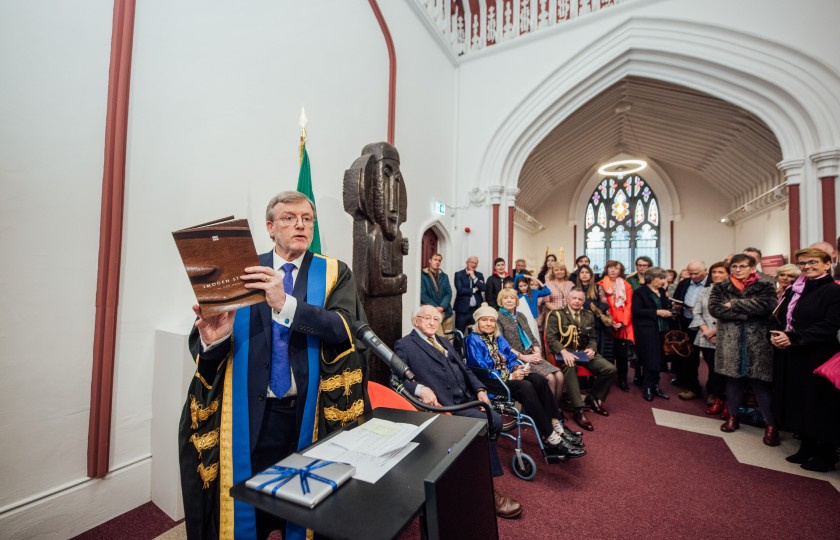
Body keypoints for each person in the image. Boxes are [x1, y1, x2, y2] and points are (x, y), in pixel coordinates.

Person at [179, 191, 369, 540]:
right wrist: (214, 338)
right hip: (248, 415)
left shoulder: (333, 272)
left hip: (308, 414)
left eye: (307, 218)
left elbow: (344, 329)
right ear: (269, 227)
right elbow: (206, 347)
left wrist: (285, 303)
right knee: (250, 506)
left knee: (304, 504)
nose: (300, 224)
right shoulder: (242, 270)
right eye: (288, 218)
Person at [394, 305, 523, 518]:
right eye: (426, 318)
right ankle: (486, 491)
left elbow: (466, 369)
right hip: (443, 406)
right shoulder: (405, 345)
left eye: (435, 319)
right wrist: (420, 388)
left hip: (466, 398)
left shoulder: (444, 341)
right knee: (483, 426)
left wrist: (480, 389)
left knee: (496, 422)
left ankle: (470, 471)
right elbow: (396, 379)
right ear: (415, 321)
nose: (432, 322)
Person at [465, 303, 585, 458]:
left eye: (491, 320)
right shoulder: (472, 339)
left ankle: (556, 424)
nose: (488, 323)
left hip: (508, 376)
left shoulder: (499, 338)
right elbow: (479, 367)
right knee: (526, 387)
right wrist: (510, 376)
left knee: (539, 380)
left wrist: (518, 369)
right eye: (484, 320)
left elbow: (511, 358)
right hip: (492, 382)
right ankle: (551, 436)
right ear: (478, 322)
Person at [770, 248, 840, 471]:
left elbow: (829, 326)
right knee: (799, 401)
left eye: (813, 262)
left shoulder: (833, 290)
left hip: (818, 354)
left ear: (827, 264)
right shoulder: (796, 289)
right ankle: (807, 447)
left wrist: (793, 338)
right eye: (802, 263)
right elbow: (780, 316)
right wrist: (777, 335)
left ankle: (826, 455)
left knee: (820, 405)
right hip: (793, 353)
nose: (807, 266)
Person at [708, 253, 777, 444]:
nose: (738, 270)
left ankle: (771, 426)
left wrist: (735, 304)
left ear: (753, 268)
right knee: (733, 382)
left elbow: (768, 306)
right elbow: (716, 309)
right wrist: (748, 314)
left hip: (758, 343)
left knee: (760, 384)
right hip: (730, 342)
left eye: (742, 266)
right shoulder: (721, 287)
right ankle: (733, 418)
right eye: (735, 266)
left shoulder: (765, 285)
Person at [545, 289, 617, 431]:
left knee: (610, 369)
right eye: (574, 298)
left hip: (584, 353)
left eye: (580, 299)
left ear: (584, 301)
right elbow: (551, 338)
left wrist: (592, 349)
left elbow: (592, 338)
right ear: (567, 299)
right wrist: (564, 351)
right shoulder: (557, 315)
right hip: (564, 352)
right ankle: (579, 410)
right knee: (571, 366)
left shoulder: (588, 315)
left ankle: (593, 397)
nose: (577, 301)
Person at [495, 288, 564, 404]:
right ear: (500, 301)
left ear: (516, 301)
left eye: (512, 298)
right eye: (505, 298)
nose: (509, 301)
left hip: (532, 355)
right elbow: (502, 346)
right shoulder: (498, 317)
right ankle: (549, 413)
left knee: (560, 375)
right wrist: (524, 357)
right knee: (551, 378)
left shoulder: (521, 315)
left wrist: (537, 352)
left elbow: (531, 337)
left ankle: (555, 409)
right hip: (516, 359)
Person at [688, 261, 729, 415]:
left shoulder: (735, 291)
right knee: (713, 369)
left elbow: (734, 315)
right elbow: (696, 312)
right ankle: (716, 397)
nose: (717, 275)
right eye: (714, 272)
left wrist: (714, 331)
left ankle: (728, 401)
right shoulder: (705, 291)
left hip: (726, 336)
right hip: (705, 337)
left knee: (726, 371)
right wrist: (706, 331)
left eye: (721, 272)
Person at [631, 267, 674, 401]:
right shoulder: (640, 292)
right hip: (647, 331)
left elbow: (665, 307)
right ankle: (648, 387)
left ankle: (656, 386)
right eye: (660, 278)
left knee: (660, 359)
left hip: (662, 329)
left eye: (663, 278)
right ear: (651, 278)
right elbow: (637, 311)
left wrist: (670, 309)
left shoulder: (662, 291)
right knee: (651, 359)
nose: (663, 281)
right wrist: (657, 312)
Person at [670, 260, 710, 400]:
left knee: (710, 359)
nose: (693, 276)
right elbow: (676, 299)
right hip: (687, 323)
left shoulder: (712, 283)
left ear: (705, 270)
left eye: (696, 273)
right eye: (690, 273)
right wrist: (678, 305)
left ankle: (712, 392)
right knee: (689, 358)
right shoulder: (684, 283)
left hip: (707, 326)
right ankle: (692, 387)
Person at [598, 260, 636, 388]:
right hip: (607, 323)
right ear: (607, 270)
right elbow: (600, 305)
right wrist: (610, 321)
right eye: (611, 268)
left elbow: (629, 304)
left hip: (623, 324)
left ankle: (623, 379)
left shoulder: (626, 285)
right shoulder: (601, 284)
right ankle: (606, 379)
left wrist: (623, 322)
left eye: (617, 269)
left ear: (621, 271)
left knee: (622, 355)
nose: (613, 271)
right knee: (606, 353)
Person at [575, 265, 613, 367]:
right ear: (578, 275)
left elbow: (605, 303)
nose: (584, 274)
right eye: (582, 272)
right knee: (581, 348)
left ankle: (595, 375)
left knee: (595, 348)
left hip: (595, 322)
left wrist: (593, 308)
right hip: (579, 321)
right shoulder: (574, 288)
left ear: (591, 275)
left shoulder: (597, 287)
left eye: (587, 272)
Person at [420, 253, 454, 336]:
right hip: (432, 314)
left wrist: (442, 307)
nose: (437, 262)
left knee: (448, 340)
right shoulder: (422, 276)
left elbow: (448, 293)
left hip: (446, 313)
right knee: (438, 339)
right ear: (430, 261)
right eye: (435, 260)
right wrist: (437, 309)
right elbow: (423, 296)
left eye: (439, 260)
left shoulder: (444, 276)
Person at [454, 256, 486, 333]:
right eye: (472, 262)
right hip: (462, 310)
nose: (474, 264)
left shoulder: (479, 275)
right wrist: (474, 289)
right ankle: (458, 346)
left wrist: (474, 277)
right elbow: (460, 290)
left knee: (474, 333)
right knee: (459, 333)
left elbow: (483, 288)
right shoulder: (459, 274)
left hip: (475, 310)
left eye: (476, 263)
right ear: (467, 262)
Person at [538, 263, 574, 331]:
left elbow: (573, 300)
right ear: (553, 272)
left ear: (565, 271)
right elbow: (546, 302)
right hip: (552, 316)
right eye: (556, 270)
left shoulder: (571, 284)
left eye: (562, 269)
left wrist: (566, 312)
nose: (559, 272)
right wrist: (559, 312)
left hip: (569, 316)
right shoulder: (547, 285)